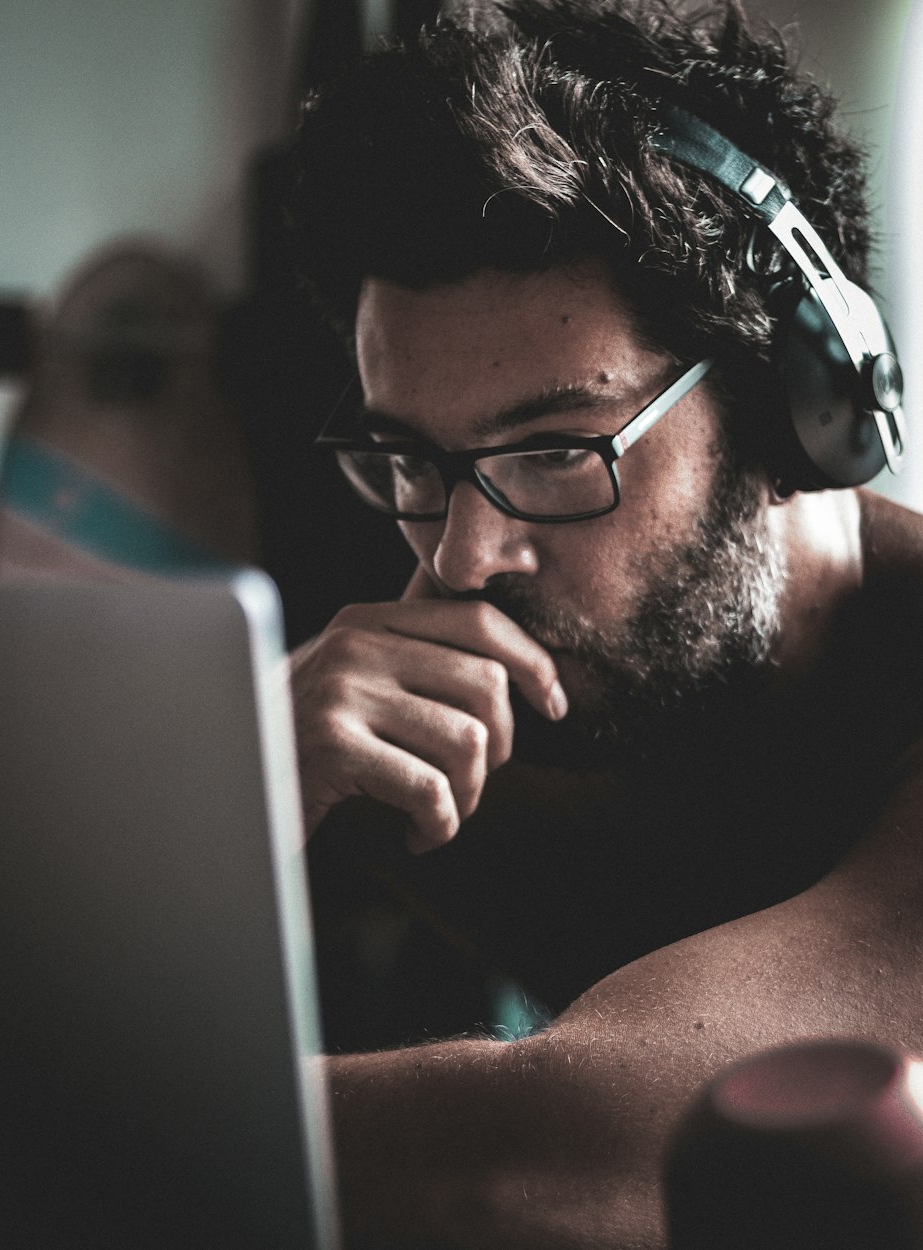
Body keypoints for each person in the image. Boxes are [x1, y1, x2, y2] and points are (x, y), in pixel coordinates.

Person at [286, 1, 923, 1245]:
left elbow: (582, 1162)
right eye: (410, 460)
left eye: (555, 451)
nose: (465, 554)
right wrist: (213, 805)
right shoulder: (425, 703)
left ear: (795, 414)